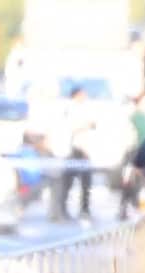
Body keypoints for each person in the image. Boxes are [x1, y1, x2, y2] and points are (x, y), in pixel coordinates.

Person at [55, 85, 95, 219]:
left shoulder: (85, 108)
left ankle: (85, 208)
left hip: (85, 149)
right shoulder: (70, 109)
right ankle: (63, 209)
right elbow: (70, 128)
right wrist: (85, 126)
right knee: (69, 181)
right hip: (75, 149)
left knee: (86, 182)